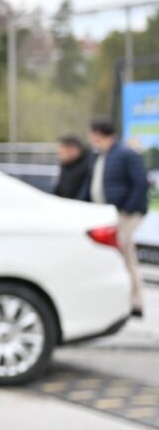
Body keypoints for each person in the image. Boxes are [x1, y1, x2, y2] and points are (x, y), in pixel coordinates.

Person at [87, 118, 150, 318]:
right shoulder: (101, 156)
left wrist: (126, 210)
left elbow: (141, 183)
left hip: (124, 215)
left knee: (125, 253)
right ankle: (122, 300)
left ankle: (136, 301)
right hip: (106, 214)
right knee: (117, 255)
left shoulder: (125, 154)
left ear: (98, 133)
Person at [54, 134, 93, 198]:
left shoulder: (89, 164)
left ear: (73, 149)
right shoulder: (65, 164)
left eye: (62, 152)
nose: (59, 155)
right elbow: (59, 188)